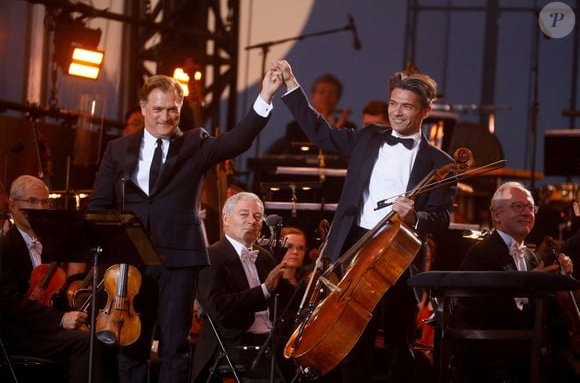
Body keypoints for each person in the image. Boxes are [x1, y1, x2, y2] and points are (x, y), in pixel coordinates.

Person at [88, 70, 283, 383]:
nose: (166, 117)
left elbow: (238, 140)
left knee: (174, 345)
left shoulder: (195, 143)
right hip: (132, 262)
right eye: (158, 109)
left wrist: (265, 97)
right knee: (131, 346)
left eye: (172, 109)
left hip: (179, 260)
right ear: (142, 107)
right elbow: (98, 205)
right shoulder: (118, 149)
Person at [274, 60, 456, 382]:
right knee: (353, 340)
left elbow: (441, 219)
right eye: (393, 104)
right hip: (356, 242)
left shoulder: (441, 164)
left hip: (401, 254)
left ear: (426, 112)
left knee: (401, 343)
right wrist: (291, 86)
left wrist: (415, 216)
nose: (397, 112)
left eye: (407, 107)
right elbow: (321, 133)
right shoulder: (369, 137)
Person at [455, 181, 578, 382]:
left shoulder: (531, 257)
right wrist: (526, 286)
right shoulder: (480, 254)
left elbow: (545, 310)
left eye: (531, 207)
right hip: (493, 352)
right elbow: (473, 309)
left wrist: (561, 280)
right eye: (518, 206)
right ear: (496, 215)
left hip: (528, 348)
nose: (527, 212)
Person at [0, 175, 111, 383]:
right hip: (18, 335)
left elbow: (56, 296)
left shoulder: (49, 244)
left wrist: (74, 314)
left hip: (44, 330)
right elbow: (8, 302)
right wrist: (60, 320)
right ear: (12, 205)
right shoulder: (5, 247)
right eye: (32, 201)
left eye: (45, 202)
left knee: (104, 339)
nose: (40, 208)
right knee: (85, 342)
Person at [191, 192, 294, 382]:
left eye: (257, 216)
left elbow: (289, 301)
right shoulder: (210, 256)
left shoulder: (265, 257)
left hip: (269, 343)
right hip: (235, 344)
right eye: (244, 214)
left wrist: (317, 278)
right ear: (226, 219)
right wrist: (263, 290)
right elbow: (218, 309)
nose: (252, 221)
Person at [268, 73, 356, 154]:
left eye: (331, 93)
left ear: (338, 98)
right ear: (312, 96)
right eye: (321, 92)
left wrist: (338, 127)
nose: (326, 97)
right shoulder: (296, 127)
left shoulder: (348, 127)